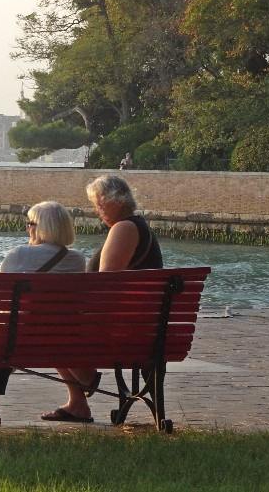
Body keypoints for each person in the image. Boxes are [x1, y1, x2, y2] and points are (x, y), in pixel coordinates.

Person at [40, 175, 164, 424]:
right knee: (48, 322)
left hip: (122, 331)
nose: (96, 211)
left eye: (98, 204)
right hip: (143, 327)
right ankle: (77, 401)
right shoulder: (138, 227)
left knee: (44, 326)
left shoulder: (124, 228)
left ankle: (85, 380)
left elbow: (106, 285)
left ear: (115, 201)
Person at [0, 201, 86, 427]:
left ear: (42, 227)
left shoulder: (20, 254)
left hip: (19, 339)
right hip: (62, 337)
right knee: (43, 326)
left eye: (30, 223)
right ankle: (78, 402)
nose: (27, 229)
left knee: (3, 329)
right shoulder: (78, 259)